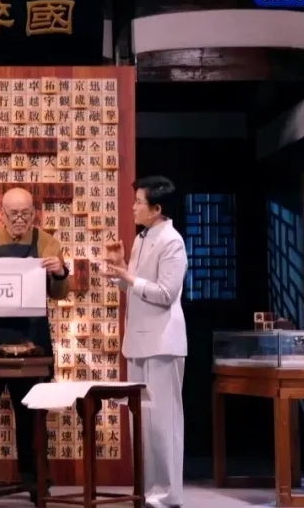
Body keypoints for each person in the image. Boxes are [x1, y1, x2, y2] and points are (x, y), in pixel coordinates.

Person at [0, 187, 69, 500]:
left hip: (31, 343)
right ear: (1, 214)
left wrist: (60, 273)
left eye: (26, 213)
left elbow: (59, 294)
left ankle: (35, 481)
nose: (20, 219)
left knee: (32, 415)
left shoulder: (47, 242)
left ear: (34, 213)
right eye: (13, 213)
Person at [102, 176, 187, 508]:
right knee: (142, 422)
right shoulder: (141, 238)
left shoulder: (172, 242)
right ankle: (147, 489)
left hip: (163, 342)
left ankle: (168, 494)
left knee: (163, 421)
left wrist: (129, 277)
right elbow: (136, 288)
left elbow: (166, 294)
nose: (134, 207)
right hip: (138, 341)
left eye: (139, 202)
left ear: (157, 208)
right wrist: (119, 270)